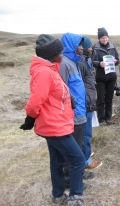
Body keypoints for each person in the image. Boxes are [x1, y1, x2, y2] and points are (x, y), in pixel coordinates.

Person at [20, 34, 86, 205]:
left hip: (56, 123)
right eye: (60, 51)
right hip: (54, 125)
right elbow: (36, 101)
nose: (63, 53)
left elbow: (53, 93)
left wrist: (68, 99)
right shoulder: (44, 72)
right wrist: (30, 118)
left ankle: (58, 195)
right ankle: (75, 197)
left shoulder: (50, 69)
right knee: (78, 159)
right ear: (50, 54)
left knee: (57, 161)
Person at [59, 33, 101, 189]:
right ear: (72, 46)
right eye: (80, 45)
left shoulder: (74, 62)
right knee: (74, 149)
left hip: (81, 112)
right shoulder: (64, 64)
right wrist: (71, 109)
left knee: (80, 146)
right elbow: (61, 90)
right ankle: (70, 181)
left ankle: (79, 173)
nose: (82, 48)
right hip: (74, 113)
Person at [78, 35, 103, 171]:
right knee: (85, 134)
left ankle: (86, 153)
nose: (91, 48)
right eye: (88, 47)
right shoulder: (80, 63)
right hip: (85, 103)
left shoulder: (86, 60)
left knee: (86, 133)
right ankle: (86, 161)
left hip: (88, 101)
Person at [92, 27, 120, 125]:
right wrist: (99, 63)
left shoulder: (112, 47)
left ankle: (108, 118)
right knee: (100, 98)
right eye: (103, 38)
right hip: (100, 78)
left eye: (106, 37)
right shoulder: (95, 48)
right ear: (99, 38)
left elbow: (118, 60)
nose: (105, 39)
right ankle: (101, 119)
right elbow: (92, 62)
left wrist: (116, 61)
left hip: (111, 77)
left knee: (109, 98)